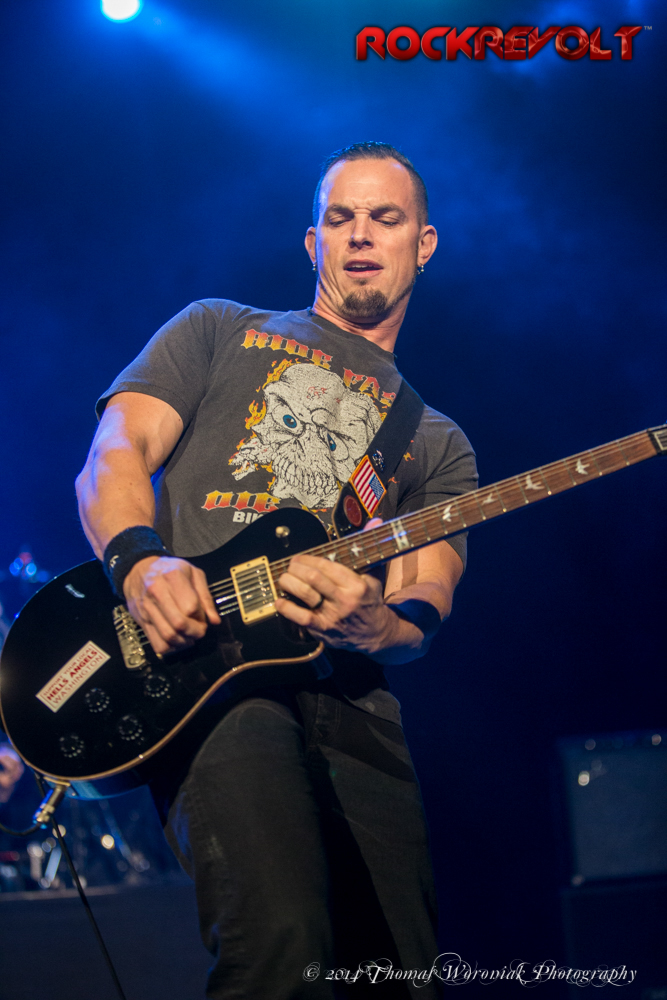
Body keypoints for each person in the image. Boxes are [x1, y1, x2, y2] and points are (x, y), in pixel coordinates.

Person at [76, 142, 478, 998]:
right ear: (312, 242)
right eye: (340, 218)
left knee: (400, 975)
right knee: (280, 946)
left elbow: (426, 599)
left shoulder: (434, 439)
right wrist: (140, 563)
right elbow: (114, 454)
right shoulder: (219, 328)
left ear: (424, 244)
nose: (360, 235)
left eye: (385, 219)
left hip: (352, 705)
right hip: (213, 679)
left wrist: (379, 623)